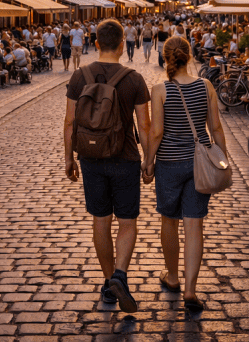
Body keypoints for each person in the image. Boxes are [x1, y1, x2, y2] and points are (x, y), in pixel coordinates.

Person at [63, 19, 151, 313]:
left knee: (101, 219)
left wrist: (68, 158)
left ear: (96, 43)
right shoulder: (134, 79)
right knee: (127, 221)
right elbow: (145, 125)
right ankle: (120, 276)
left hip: (90, 158)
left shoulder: (79, 77)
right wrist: (149, 161)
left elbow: (69, 123)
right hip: (125, 158)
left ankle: (108, 281)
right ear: (124, 42)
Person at [145, 36, 229, 312]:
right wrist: (222, 158)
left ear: (167, 58)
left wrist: (148, 161)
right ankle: (191, 290)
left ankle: (172, 277)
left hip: (169, 163)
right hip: (199, 162)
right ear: (189, 56)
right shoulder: (206, 86)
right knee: (194, 226)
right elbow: (215, 127)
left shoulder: (160, 90)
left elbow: (156, 131)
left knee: (169, 220)